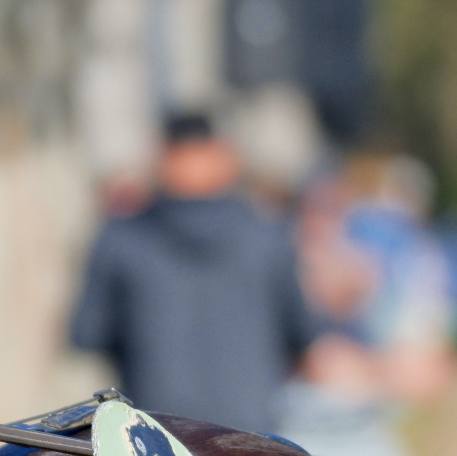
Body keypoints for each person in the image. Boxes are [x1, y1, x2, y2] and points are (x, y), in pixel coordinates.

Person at [70, 113, 317, 434]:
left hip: (154, 437)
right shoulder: (268, 236)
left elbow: (87, 334)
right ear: (225, 158)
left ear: (161, 158)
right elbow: (303, 335)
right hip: (251, 440)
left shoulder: (120, 239)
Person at [280, 153, 452, 456]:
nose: (319, 227)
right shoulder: (262, 273)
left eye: (334, 211)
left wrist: (361, 366)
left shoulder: (382, 276)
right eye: (308, 211)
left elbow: (431, 375)